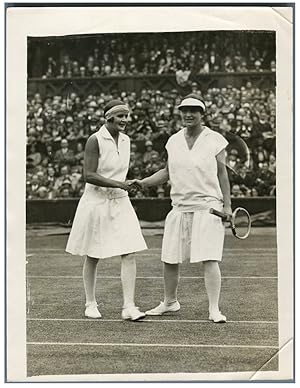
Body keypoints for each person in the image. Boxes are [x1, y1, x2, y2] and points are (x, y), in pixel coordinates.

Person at [133, 94, 232, 323]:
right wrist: (143, 182)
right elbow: (167, 172)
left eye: (194, 110)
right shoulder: (173, 140)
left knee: (209, 258)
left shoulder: (215, 139)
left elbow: (222, 173)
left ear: (202, 114)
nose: (188, 114)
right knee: (169, 258)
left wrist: (227, 204)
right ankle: (170, 302)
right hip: (178, 207)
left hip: (207, 207)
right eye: (184, 110)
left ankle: (214, 309)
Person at [66, 99, 147, 321]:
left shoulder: (127, 140)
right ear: (109, 117)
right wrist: (121, 184)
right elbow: (89, 175)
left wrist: (127, 184)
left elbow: (118, 174)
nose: (124, 120)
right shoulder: (95, 140)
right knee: (93, 254)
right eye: (120, 116)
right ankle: (90, 303)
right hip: (96, 201)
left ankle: (129, 306)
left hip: (120, 200)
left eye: (127, 116)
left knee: (129, 251)